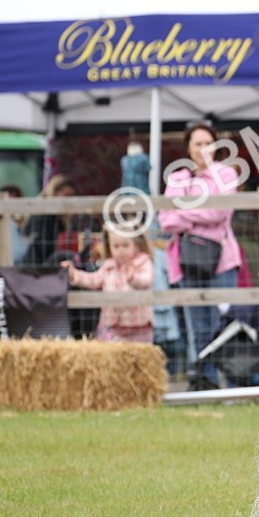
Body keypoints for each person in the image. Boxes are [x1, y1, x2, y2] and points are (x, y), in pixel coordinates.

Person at [157, 121, 242, 391]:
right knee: (196, 326)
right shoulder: (178, 177)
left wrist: (184, 211)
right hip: (185, 260)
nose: (203, 149)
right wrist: (198, 211)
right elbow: (166, 220)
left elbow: (218, 212)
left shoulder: (226, 175)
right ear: (188, 148)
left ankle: (227, 384)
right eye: (198, 144)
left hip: (222, 261)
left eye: (208, 143)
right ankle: (204, 384)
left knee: (222, 324)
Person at [61, 230, 154, 343]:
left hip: (137, 323)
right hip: (111, 323)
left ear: (136, 245)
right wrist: (73, 274)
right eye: (116, 246)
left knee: (138, 355)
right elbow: (93, 280)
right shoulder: (109, 266)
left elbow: (146, 281)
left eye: (125, 245)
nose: (120, 250)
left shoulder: (142, 263)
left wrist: (133, 278)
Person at [21, 175, 81, 267]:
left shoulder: (61, 218)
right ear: (54, 193)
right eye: (67, 195)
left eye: (72, 196)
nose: (70, 200)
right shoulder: (42, 216)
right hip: (36, 266)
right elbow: (43, 248)